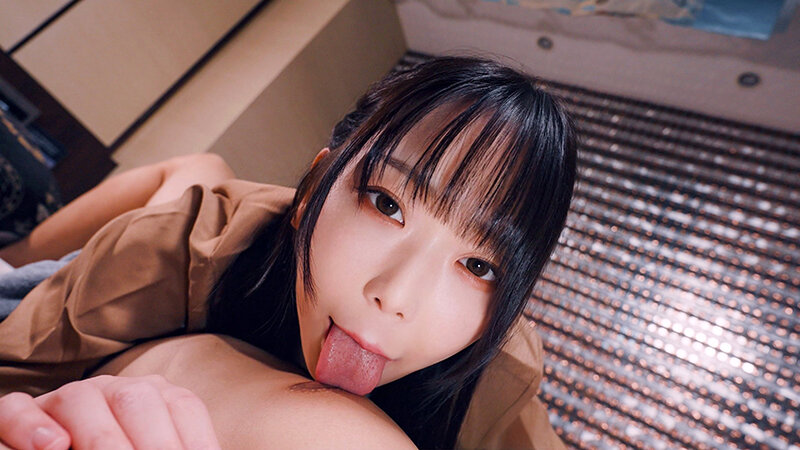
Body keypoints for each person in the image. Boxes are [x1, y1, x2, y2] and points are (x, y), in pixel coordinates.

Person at [0, 56, 577, 449]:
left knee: (203, 166)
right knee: (193, 171)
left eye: (478, 266)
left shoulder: (500, 373)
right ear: (312, 189)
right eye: (386, 204)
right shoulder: (187, 240)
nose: (396, 296)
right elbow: (16, 370)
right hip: (226, 229)